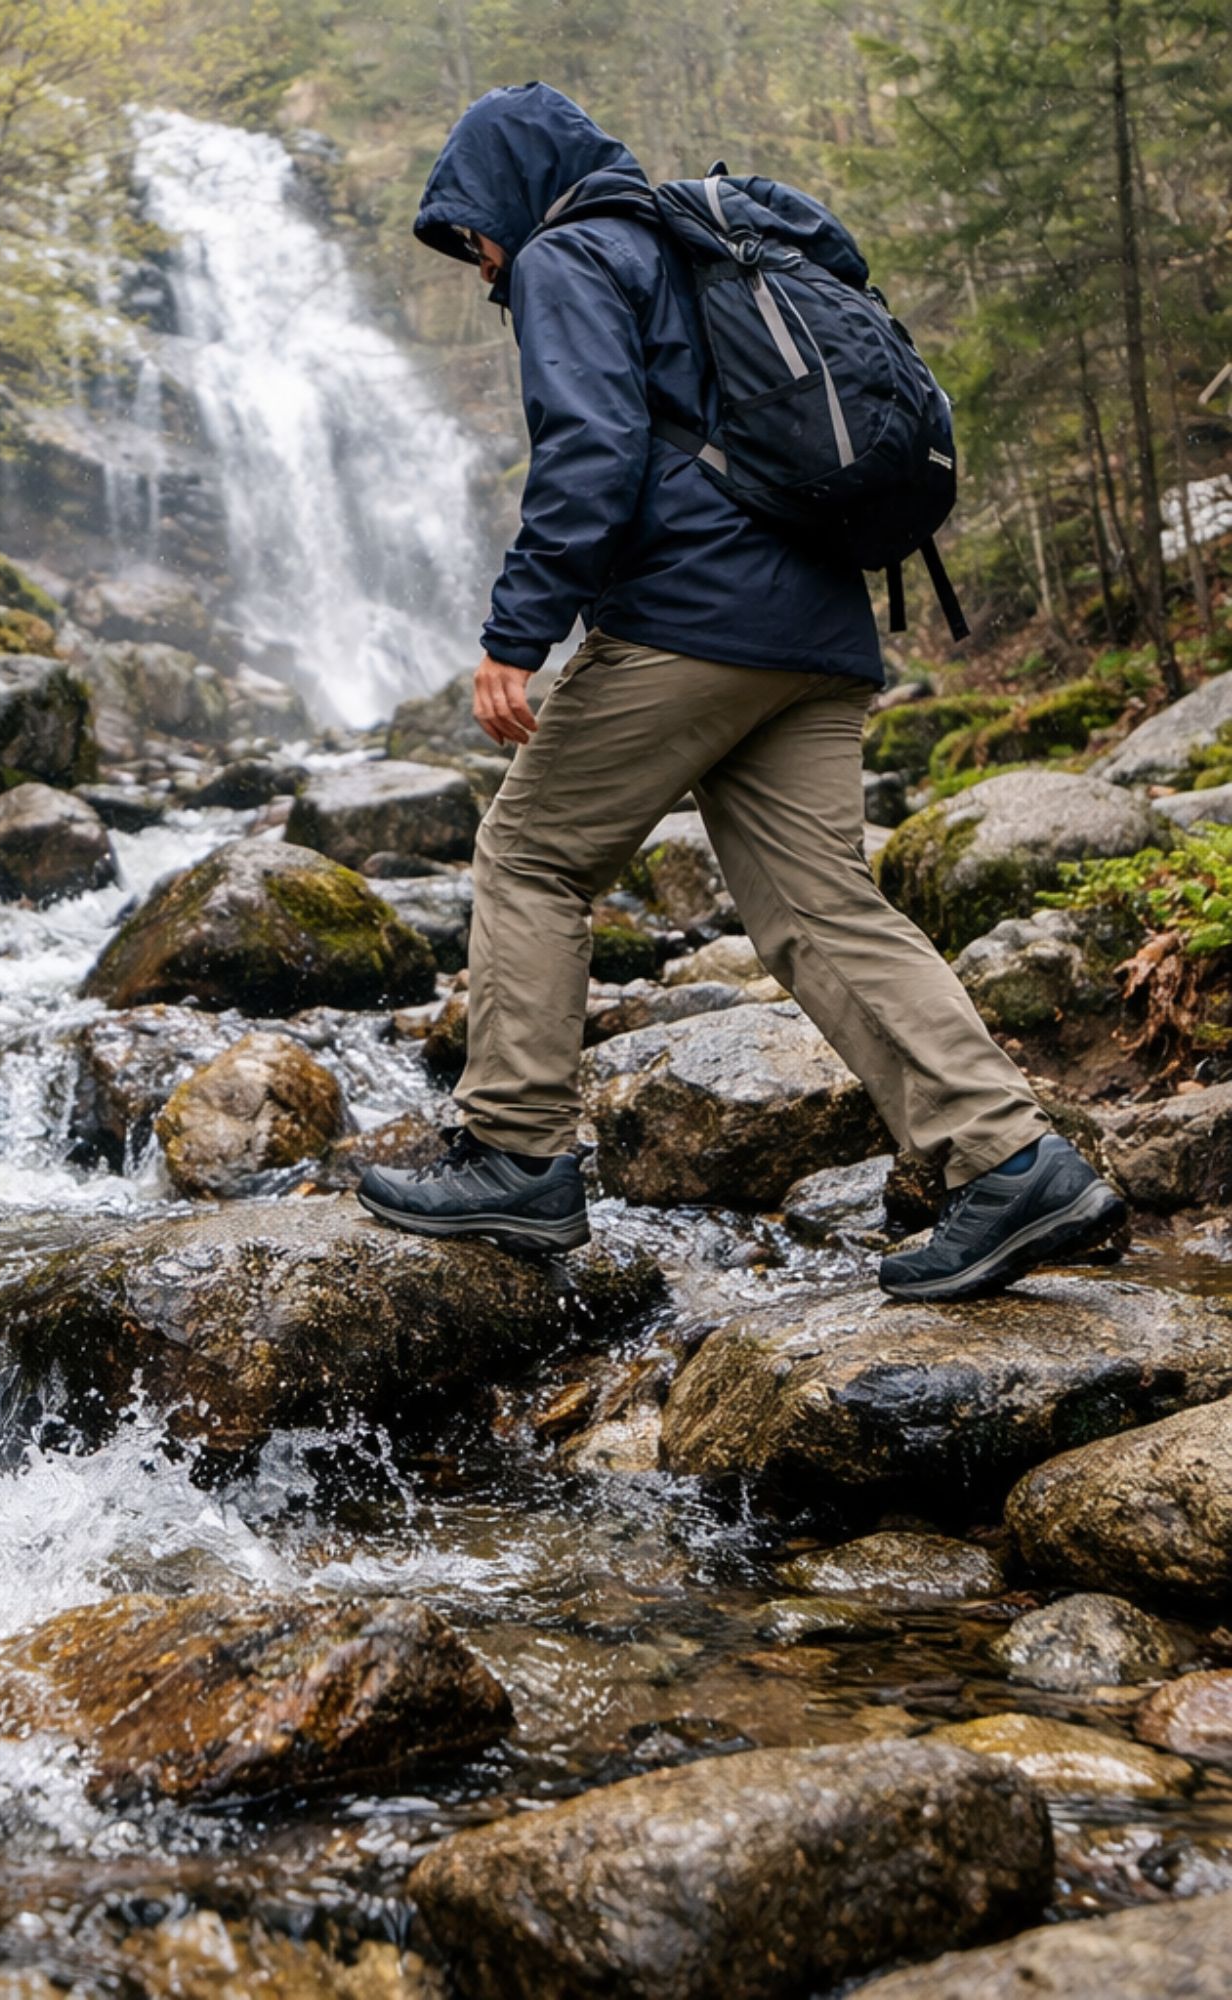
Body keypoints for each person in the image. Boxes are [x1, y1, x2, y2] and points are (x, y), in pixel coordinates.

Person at [355, 82, 1126, 1303]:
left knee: (530, 855)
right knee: (818, 907)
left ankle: (513, 1152)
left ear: (508, 192)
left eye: (472, 230)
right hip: (817, 627)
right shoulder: (689, 247)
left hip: (690, 620)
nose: (481, 259)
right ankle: (1011, 1163)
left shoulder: (570, 256)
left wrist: (517, 634)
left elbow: (592, 453)